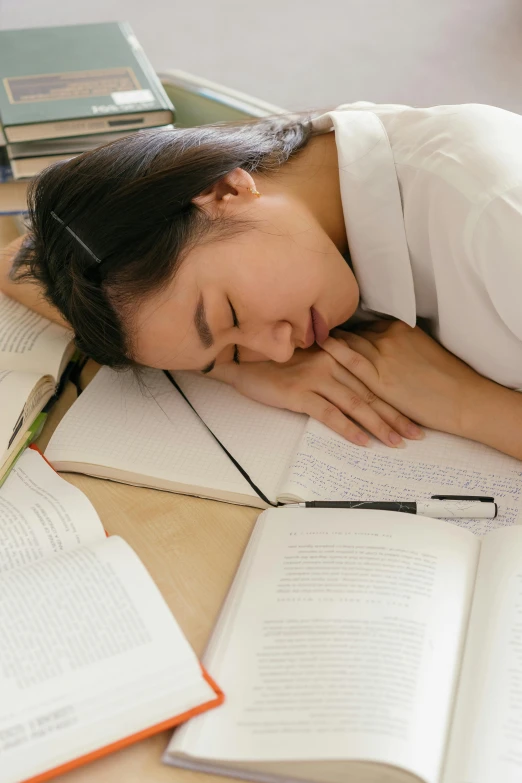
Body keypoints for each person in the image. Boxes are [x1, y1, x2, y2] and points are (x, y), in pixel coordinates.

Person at [2, 101, 522, 460]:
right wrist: (235, 372)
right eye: (232, 350)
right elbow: (13, 262)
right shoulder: (294, 169)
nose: (276, 352)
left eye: (228, 316)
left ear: (227, 190)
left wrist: (469, 405)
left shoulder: (493, 215)